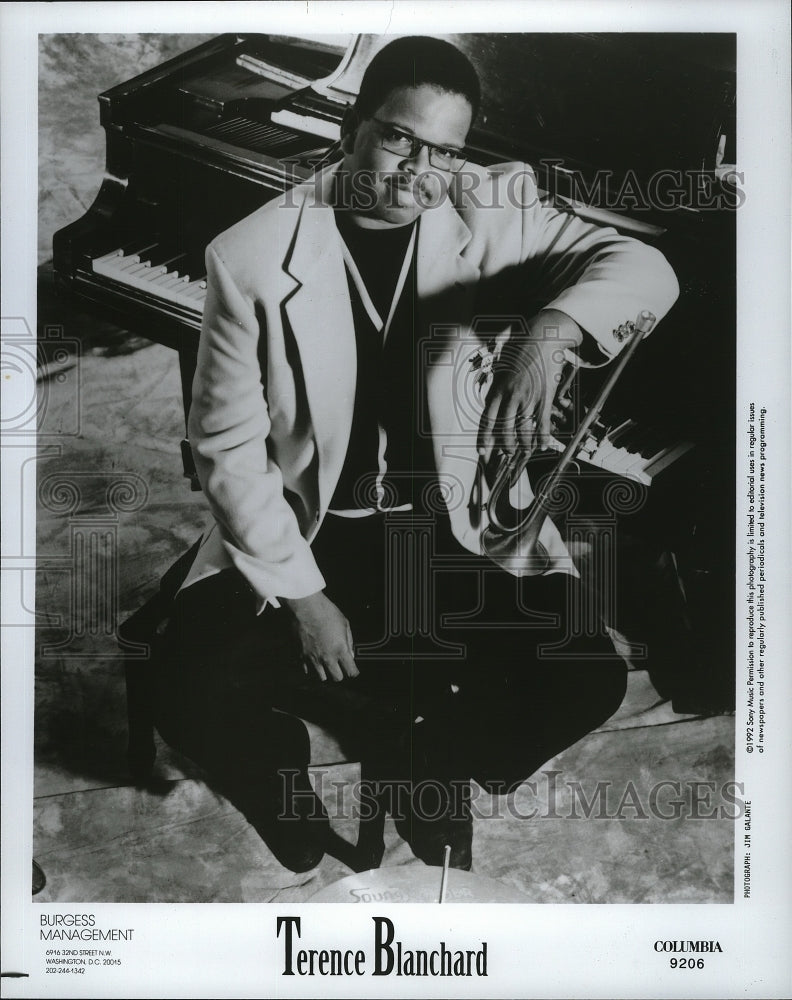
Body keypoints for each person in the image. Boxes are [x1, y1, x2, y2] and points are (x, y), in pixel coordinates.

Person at [149, 36, 679, 874]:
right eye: (399, 138)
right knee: (187, 687)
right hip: (314, 528)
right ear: (352, 128)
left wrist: (553, 330)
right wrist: (307, 600)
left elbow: (644, 266)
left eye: (445, 152)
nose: (419, 173)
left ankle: (430, 768)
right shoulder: (249, 256)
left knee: (586, 680)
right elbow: (226, 447)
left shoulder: (489, 207)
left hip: (447, 526)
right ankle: (280, 788)